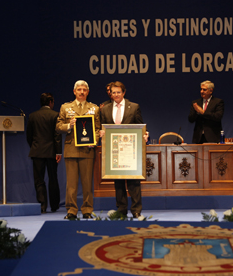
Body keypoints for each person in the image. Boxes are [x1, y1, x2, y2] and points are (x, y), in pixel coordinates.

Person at [99, 81, 149, 218]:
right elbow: (102, 127)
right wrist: (101, 133)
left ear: (124, 93)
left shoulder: (133, 107)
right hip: (114, 150)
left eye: (118, 92)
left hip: (130, 150)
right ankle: (121, 210)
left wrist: (145, 134)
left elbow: (140, 125)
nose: (116, 95)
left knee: (134, 181)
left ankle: (136, 210)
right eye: (113, 92)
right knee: (118, 181)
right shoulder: (105, 109)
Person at [56, 80, 100, 219]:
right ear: (74, 91)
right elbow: (58, 127)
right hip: (71, 148)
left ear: (88, 92)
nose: (82, 92)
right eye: (79, 89)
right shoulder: (65, 107)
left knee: (87, 183)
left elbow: (98, 129)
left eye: (84, 90)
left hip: (87, 149)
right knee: (71, 184)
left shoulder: (95, 108)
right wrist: (69, 125)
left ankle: (87, 210)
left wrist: (95, 140)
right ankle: (71, 210)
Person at [27, 93, 62, 214]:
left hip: (37, 152)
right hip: (52, 152)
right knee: (53, 178)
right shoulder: (55, 115)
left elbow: (29, 136)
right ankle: (54, 206)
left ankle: (42, 206)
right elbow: (57, 135)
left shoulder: (32, 116)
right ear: (51, 102)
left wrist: (34, 147)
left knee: (39, 180)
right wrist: (58, 152)